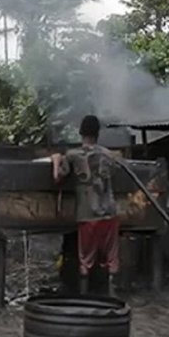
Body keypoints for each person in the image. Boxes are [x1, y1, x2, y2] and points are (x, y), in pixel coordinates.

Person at [51, 115, 120, 296]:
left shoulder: (74, 155)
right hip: (110, 214)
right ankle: (112, 296)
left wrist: (56, 160)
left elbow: (58, 178)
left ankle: (84, 296)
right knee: (111, 258)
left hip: (87, 214)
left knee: (86, 259)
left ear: (81, 132)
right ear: (98, 134)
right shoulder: (109, 155)